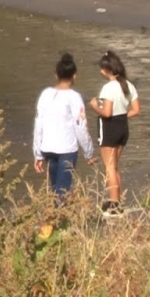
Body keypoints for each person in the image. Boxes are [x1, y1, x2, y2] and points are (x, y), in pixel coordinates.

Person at [33, 53, 96, 204]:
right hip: (67, 149)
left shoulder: (45, 94)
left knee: (55, 189)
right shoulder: (74, 97)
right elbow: (80, 126)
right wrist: (89, 152)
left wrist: (37, 153)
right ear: (75, 76)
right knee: (63, 191)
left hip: (47, 148)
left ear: (56, 75)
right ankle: (59, 221)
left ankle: (55, 220)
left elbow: (38, 124)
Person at [88, 50, 140, 218]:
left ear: (105, 69)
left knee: (109, 167)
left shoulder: (108, 88)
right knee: (114, 166)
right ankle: (114, 200)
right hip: (123, 126)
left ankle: (115, 205)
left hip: (109, 127)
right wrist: (123, 115)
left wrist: (95, 106)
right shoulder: (128, 85)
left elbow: (107, 112)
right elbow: (136, 110)